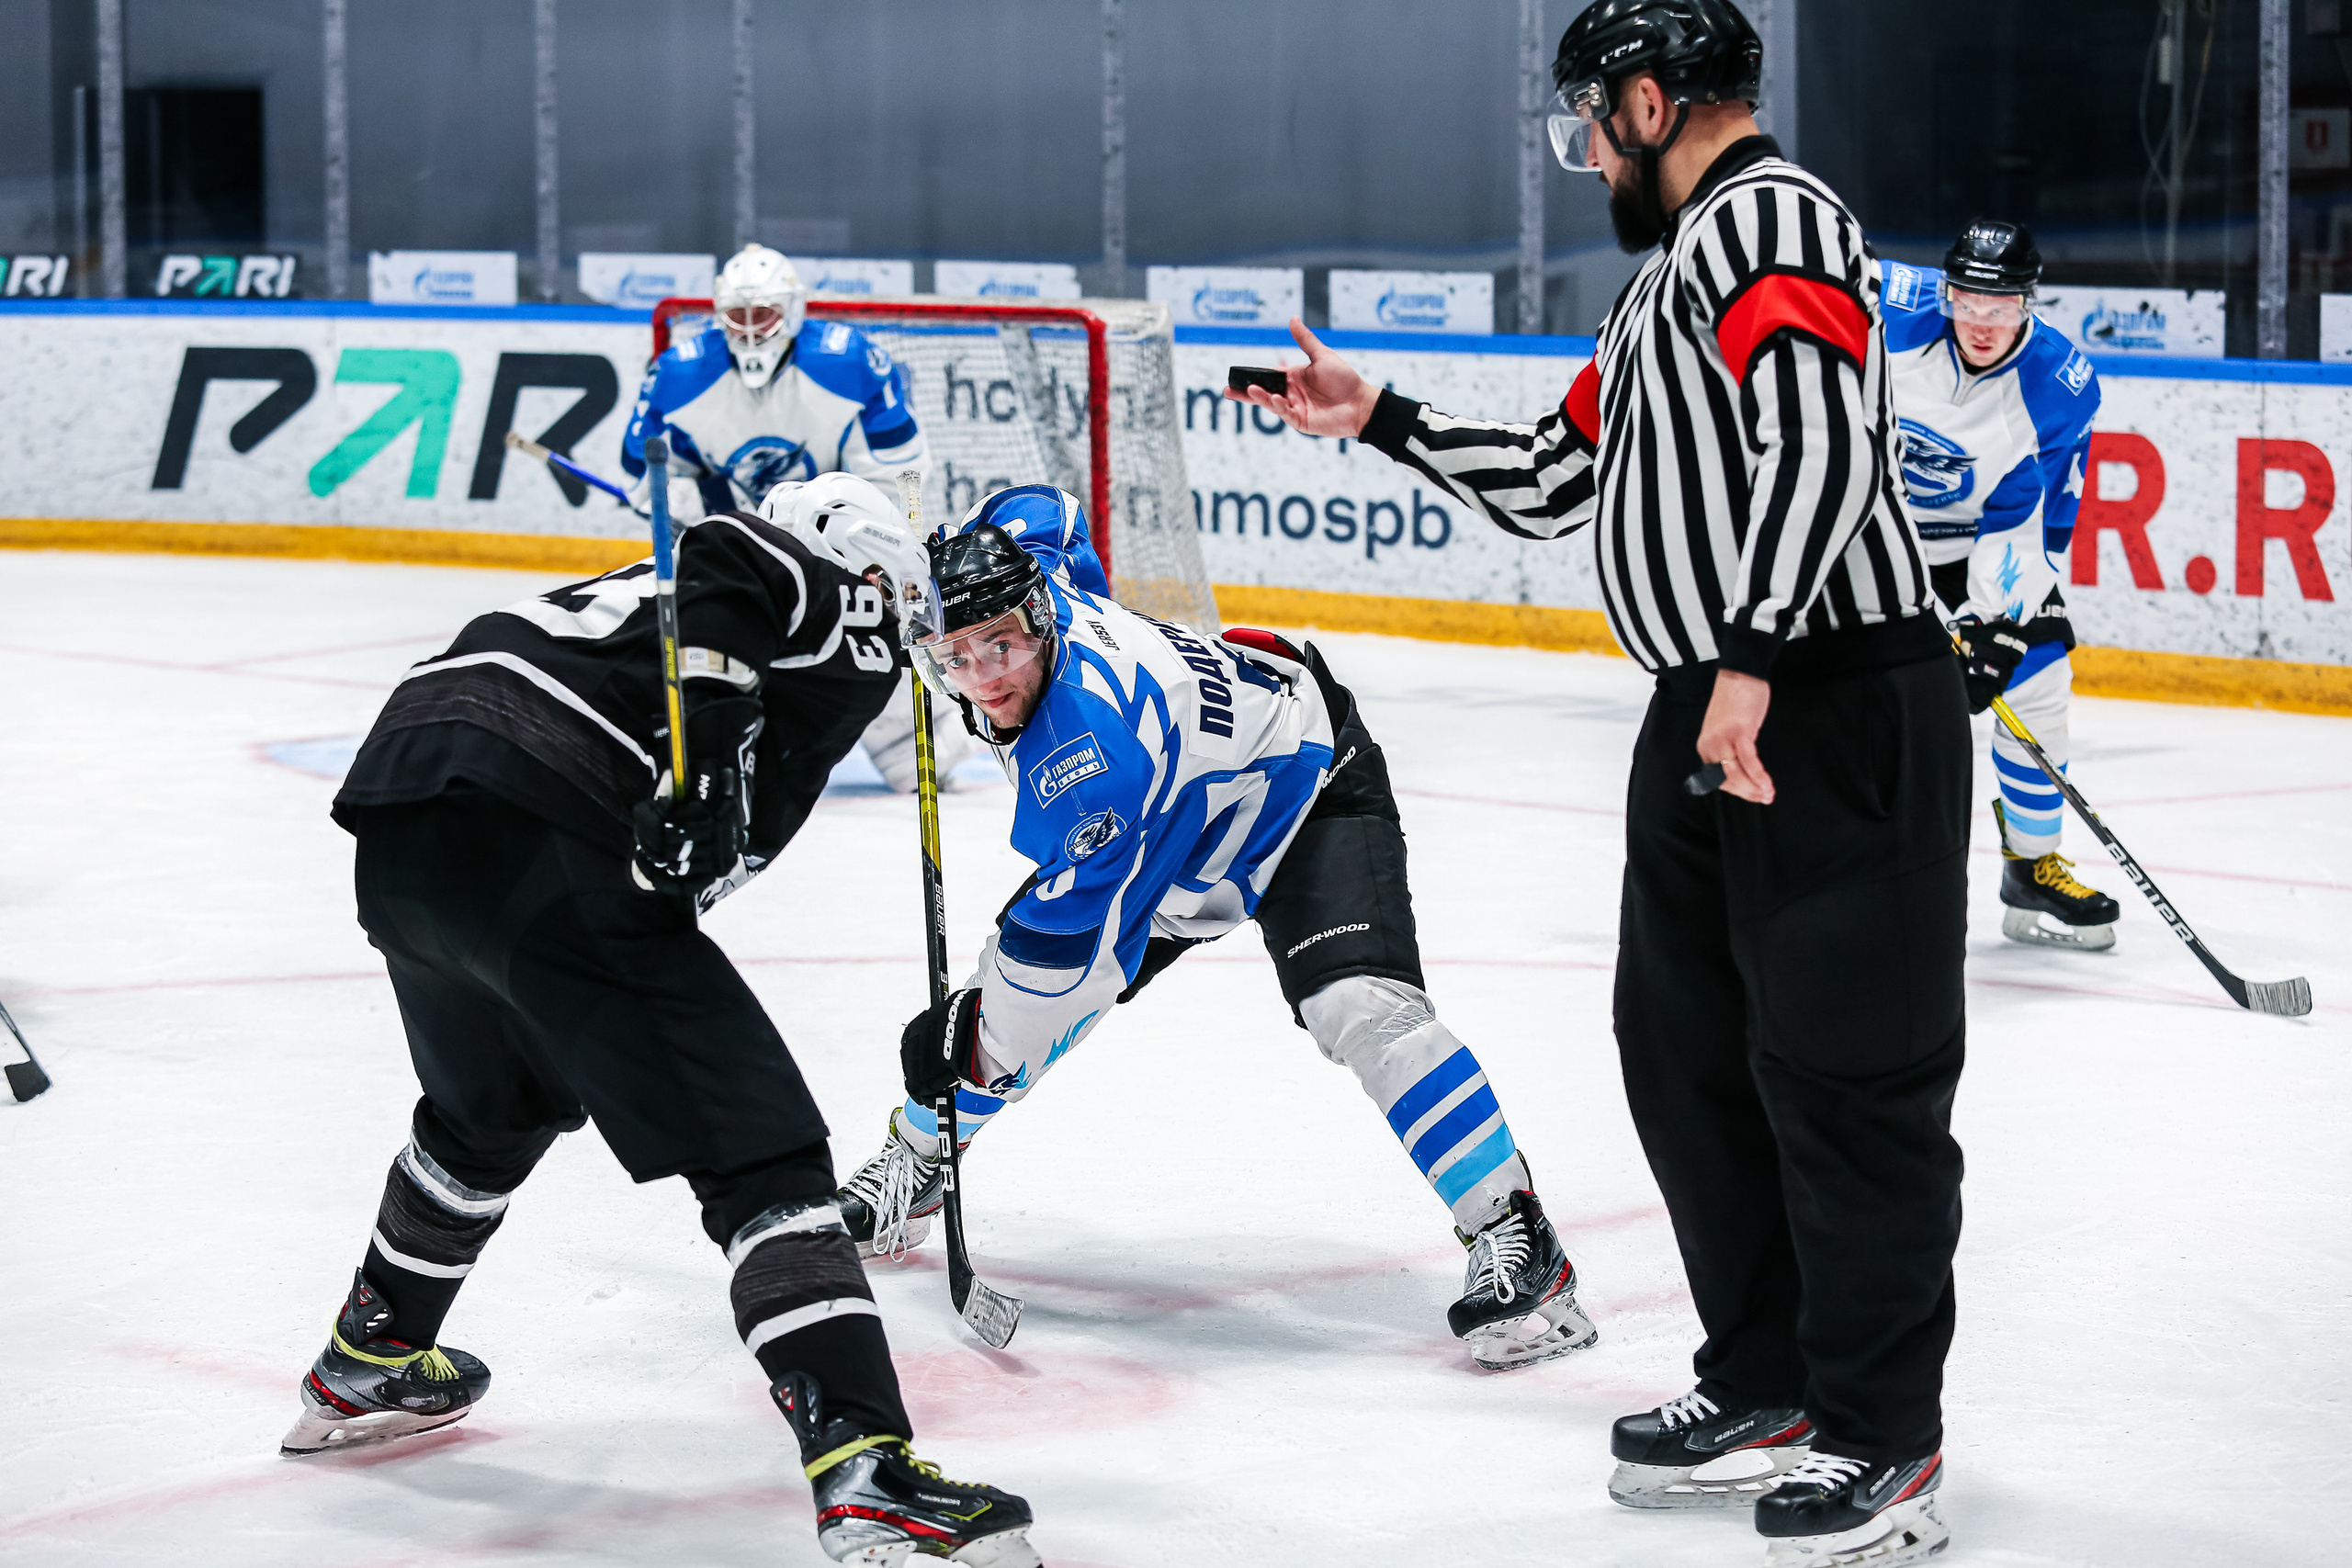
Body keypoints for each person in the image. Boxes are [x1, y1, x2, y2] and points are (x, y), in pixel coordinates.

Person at [1232, 3, 1967, 1563]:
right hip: (1717, 701)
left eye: (1591, 119)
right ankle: (1768, 1374)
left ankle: (1885, 1436)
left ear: (1648, 102)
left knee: (1851, 1076)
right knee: (1688, 1050)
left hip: (1819, 702)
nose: (1583, 154)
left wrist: (1756, 654)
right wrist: (1386, 422)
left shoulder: (1771, 217)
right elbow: (1569, 476)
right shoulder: (1666, 281)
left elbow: (1824, 442)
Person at [282, 477, 1040, 1568]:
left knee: (489, 1113)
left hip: (407, 821)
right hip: (537, 816)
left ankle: (371, 1351)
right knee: (760, 1150)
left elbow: (707, 829)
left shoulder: (635, 606)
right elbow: (733, 564)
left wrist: (698, 801)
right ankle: (870, 1471)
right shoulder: (827, 595)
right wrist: (705, 771)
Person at [826, 482, 1600, 1373]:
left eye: (999, 644)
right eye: (956, 657)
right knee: (999, 1025)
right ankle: (918, 1162)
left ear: (1038, 619)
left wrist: (962, 1030)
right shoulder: (1031, 575)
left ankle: (1514, 1231)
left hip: (1299, 786)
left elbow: (1060, 972)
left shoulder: (1088, 763)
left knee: (1358, 1007)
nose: (985, 675)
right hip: (1183, 821)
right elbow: (1050, 512)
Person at [622, 243, 971, 795]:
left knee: (865, 630)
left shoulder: (849, 363)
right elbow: (646, 467)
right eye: (738, 315)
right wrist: (679, 506)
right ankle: (717, 740)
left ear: (794, 311)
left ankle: (916, 742)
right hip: (740, 539)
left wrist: (840, 532)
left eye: (765, 314)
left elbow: (896, 473)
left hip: (840, 538)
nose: (751, 329)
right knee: (711, 626)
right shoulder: (678, 375)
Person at [1883, 220, 2120, 949]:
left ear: (2030, 303)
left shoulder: (2058, 387)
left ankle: (2031, 865)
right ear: (1945, 291)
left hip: (1974, 542)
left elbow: (2032, 519)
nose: (1981, 323)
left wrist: (1995, 624)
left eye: (2002, 307)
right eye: (1967, 302)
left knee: (2038, 673)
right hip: (1866, 527)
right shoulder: (1886, 307)